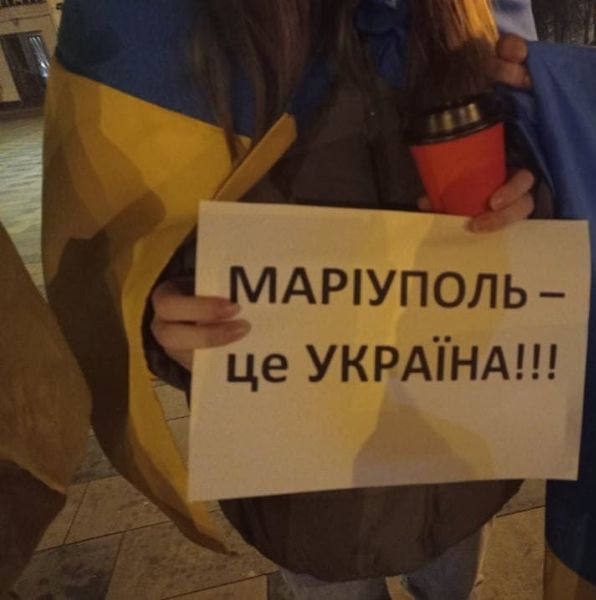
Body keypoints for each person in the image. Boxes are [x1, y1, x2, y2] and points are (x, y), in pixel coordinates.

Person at [144, 2, 541, 599]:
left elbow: (538, 168)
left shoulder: (473, 15)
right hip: (305, 491)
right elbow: (137, 243)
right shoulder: (179, 30)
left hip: (456, 461)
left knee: (450, 585)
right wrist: (164, 322)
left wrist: (532, 196)